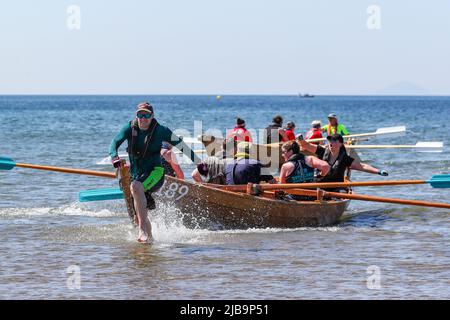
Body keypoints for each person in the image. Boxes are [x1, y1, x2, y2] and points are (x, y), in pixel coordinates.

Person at [109, 102, 200, 243]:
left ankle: (142, 231)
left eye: (146, 115)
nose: (143, 118)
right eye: (140, 114)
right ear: (136, 115)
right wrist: (114, 156)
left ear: (152, 116)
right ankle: (148, 241)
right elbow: (114, 142)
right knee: (138, 214)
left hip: (156, 173)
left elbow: (183, 147)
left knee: (135, 187)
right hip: (137, 175)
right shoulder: (129, 128)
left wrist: (199, 163)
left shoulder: (161, 130)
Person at [297, 133, 388, 186]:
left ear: (340, 144)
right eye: (330, 142)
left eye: (334, 141)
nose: (331, 144)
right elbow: (306, 145)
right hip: (320, 184)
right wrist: (300, 139)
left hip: (336, 187)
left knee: (341, 193)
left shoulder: (345, 159)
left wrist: (378, 171)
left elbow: (362, 166)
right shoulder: (322, 151)